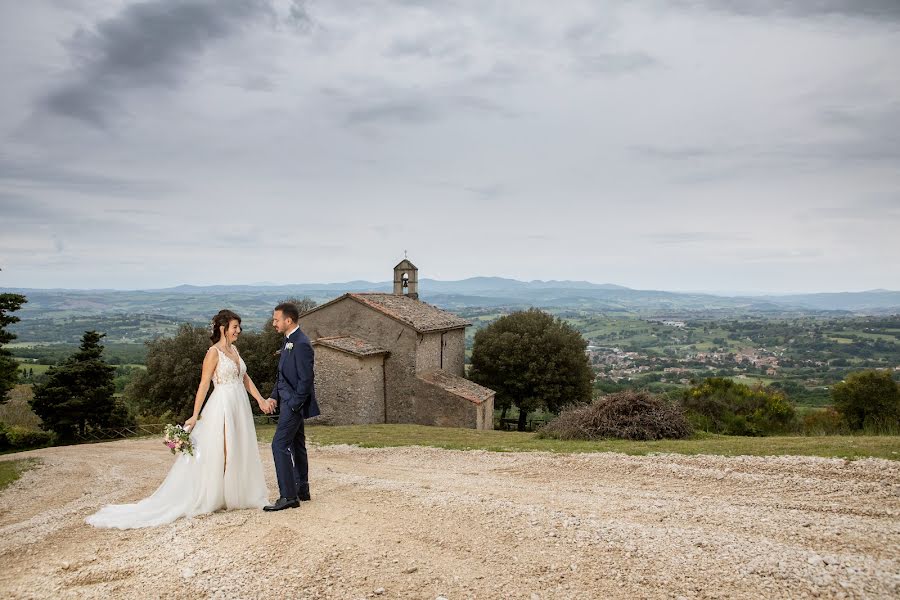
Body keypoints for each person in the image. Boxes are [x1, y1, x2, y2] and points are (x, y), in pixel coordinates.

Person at [86, 310, 274, 529]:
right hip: (222, 403)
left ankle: (237, 493)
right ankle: (219, 496)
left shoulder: (234, 350)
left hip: (239, 405)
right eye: (235, 327)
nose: (239, 331)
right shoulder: (213, 353)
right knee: (224, 449)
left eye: (239, 327)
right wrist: (195, 415)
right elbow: (204, 384)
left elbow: (244, 377)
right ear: (223, 328)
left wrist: (260, 399)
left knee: (238, 447)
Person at [264, 302, 320, 511]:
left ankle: (288, 496)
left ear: (288, 320)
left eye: (276, 319)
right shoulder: (288, 340)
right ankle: (301, 489)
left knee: (278, 445)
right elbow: (282, 375)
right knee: (297, 445)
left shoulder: (302, 343)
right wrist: (273, 397)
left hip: (293, 404)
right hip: (286, 401)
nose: (273, 323)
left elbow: (306, 379)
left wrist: (294, 404)